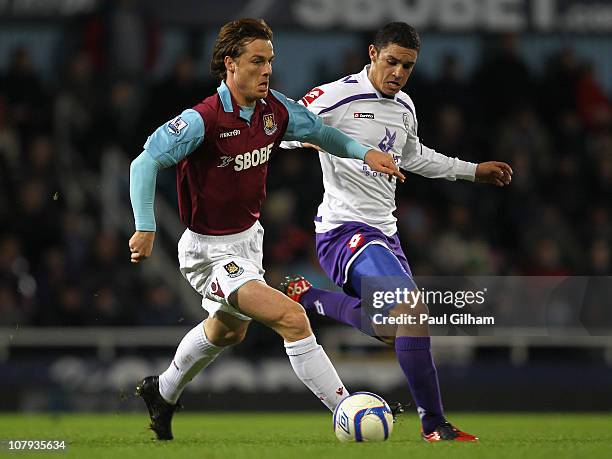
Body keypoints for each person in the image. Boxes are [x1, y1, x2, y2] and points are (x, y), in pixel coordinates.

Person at [128, 18, 404, 441]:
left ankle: (161, 392)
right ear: (229, 65)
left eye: (270, 61)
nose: (267, 70)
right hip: (209, 252)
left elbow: (322, 133)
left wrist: (363, 152)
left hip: (248, 243)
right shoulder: (203, 120)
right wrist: (145, 227)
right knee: (292, 318)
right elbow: (144, 162)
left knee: (227, 330)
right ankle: (347, 409)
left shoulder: (274, 110)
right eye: (257, 61)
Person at [280, 22, 513, 442]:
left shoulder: (404, 105)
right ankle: (434, 424)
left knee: (395, 328)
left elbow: (415, 156)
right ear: (372, 53)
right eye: (392, 62)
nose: (399, 73)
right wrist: (309, 141)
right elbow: (280, 128)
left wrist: (471, 171)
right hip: (344, 231)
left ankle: (310, 298)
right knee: (412, 309)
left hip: (386, 235)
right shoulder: (336, 95)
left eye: (407, 66)